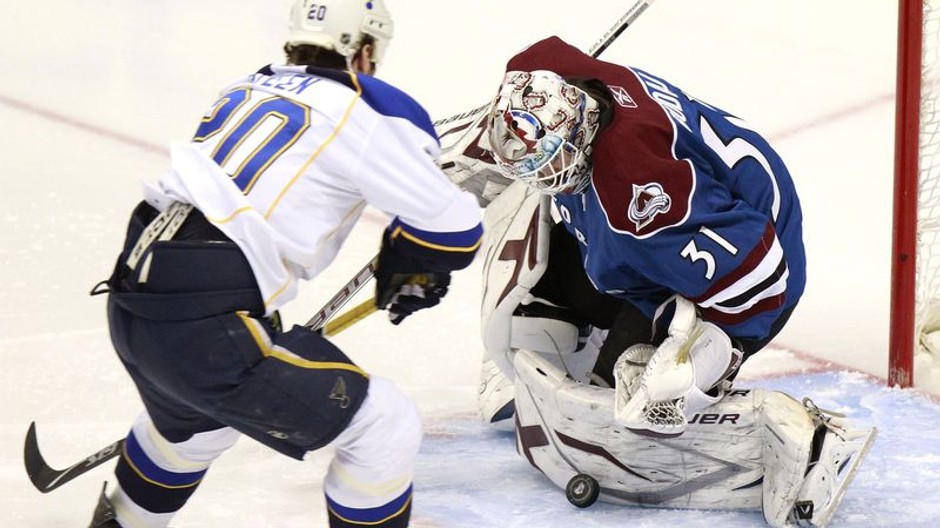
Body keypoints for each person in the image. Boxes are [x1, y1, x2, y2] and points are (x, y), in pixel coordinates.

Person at [438, 36, 875, 527]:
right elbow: (533, 88)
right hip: (692, 213)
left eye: (550, 160)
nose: (546, 175)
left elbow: (762, 278)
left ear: (581, 124)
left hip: (750, 269)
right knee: (539, 234)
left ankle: (808, 447)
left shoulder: (641, 203)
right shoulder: (551, 74)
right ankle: (563, 335)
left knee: (653, 397)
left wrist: (705, 349)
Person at [87, 1, 483, 527]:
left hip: (137, 289)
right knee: (383, 424)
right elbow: (452, 227)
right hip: (205, 320)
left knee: (196, 427)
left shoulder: (243, 87)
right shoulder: (358, 110)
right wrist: (411, 263)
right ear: (363, 49)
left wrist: (407, 254)